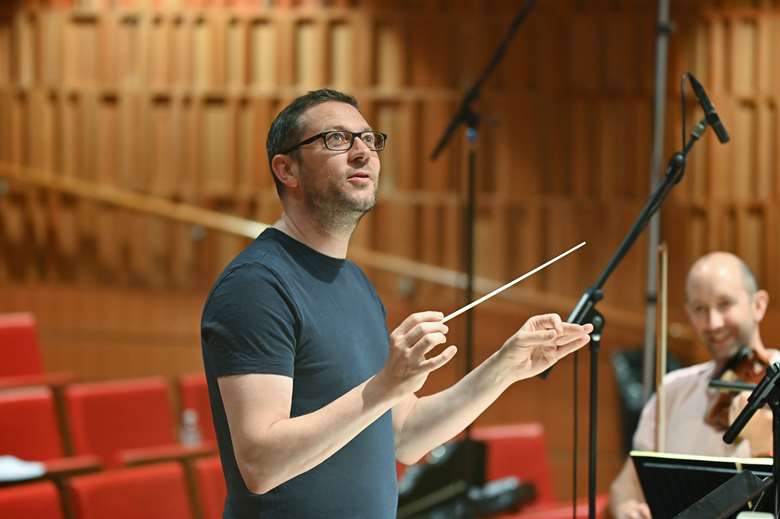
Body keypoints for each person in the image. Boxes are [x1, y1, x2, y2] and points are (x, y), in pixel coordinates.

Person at [200, 89, 593, 519]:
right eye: (336, 139)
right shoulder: (258, 285)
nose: (362, 152)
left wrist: (504, 368)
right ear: (286, 168)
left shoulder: (355, 283)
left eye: (370, 140)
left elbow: (405, 435)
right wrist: (385, 386)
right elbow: (261, 463)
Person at [609, 251, 777, 519]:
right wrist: (626, 507)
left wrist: (763, 448)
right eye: (700, 309)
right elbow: (625, 485)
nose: (713, 323)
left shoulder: (775, 381)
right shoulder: (673, 390)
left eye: (725, 304)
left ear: (758, 304)